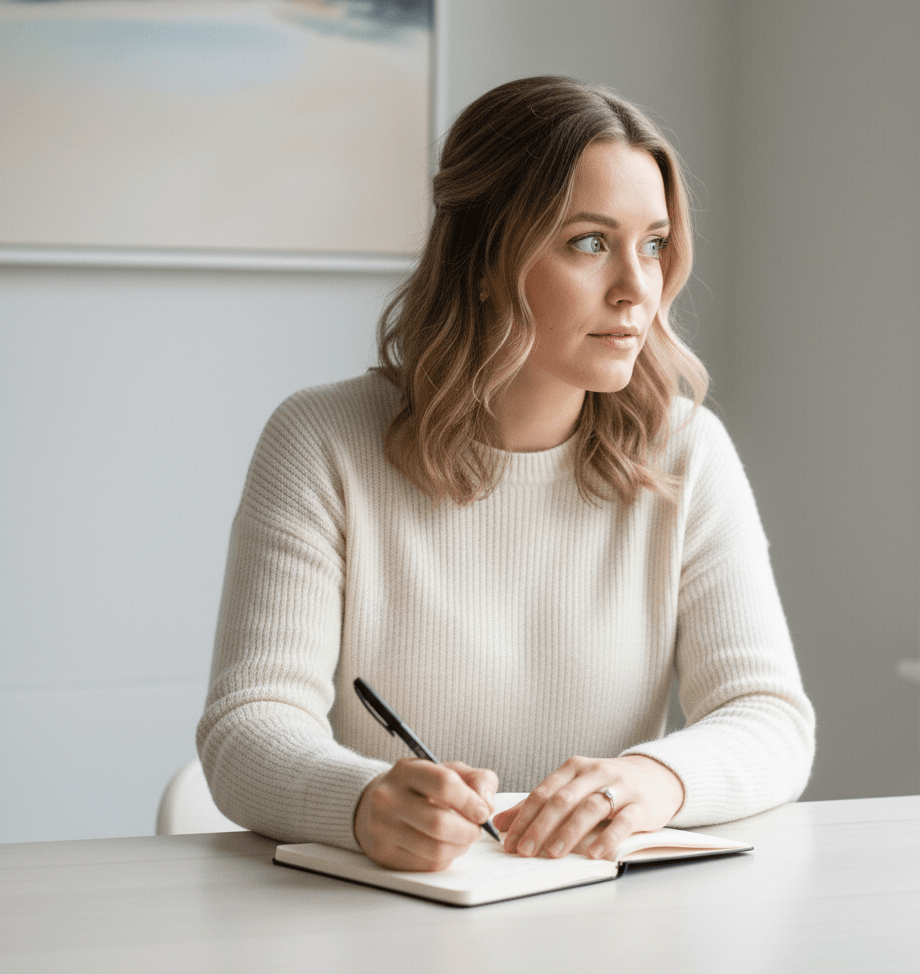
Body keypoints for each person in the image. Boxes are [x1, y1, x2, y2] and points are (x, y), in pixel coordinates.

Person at [197, 76, 815, 873]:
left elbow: (768, 719)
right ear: (484, 257)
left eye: (654, 244)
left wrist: (652, 779)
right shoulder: (321, 441)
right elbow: (247, 726)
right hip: (385, 917)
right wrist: (358, 803)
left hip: (609, 918)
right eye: (589, 242)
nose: (637, 288)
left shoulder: (689, 451)